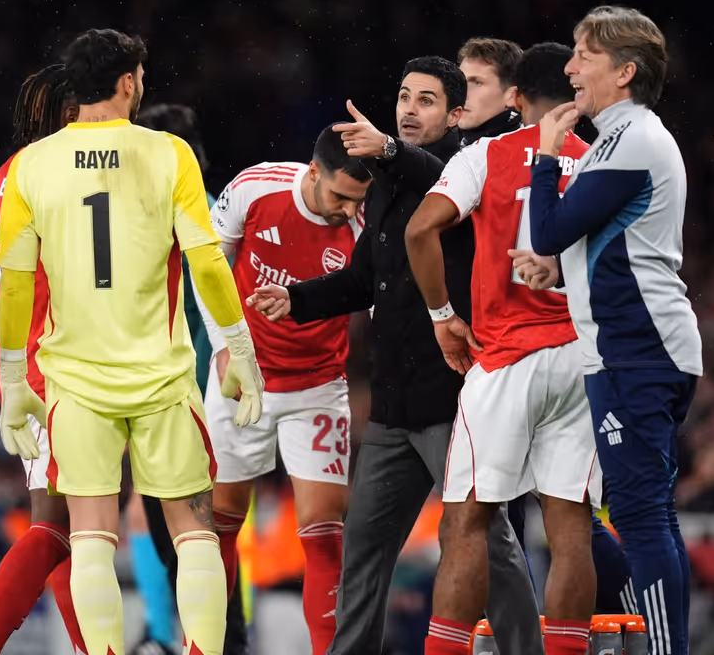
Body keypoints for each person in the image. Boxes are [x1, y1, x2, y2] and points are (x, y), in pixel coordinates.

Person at [248, 56, 544, 655]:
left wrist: (386, 151)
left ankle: (526, 652)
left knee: (486, 542)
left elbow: (426, 169)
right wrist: (296, 297)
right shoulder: (383, 188)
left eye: (427, 100)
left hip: (452, 396)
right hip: (391, 408)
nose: (410, 108)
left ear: (457, 115)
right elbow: (363, 280)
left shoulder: (467, 168)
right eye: (405, 96)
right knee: (362, 547)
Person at [0, 28, 265, 655]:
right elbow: (209, 264)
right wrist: (240, 351)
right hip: (164, 378)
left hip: (75, 383)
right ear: (126, 83)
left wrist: (12, 381)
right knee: (195, 534)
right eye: (141, 76)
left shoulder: (31, 165)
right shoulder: (170, 153)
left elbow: (15, 285)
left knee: (91, 538)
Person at [405, 42, 601, 655]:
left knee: (467, 520)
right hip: (578, 359)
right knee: (570, 529)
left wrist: (442, 316)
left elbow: (419, 230)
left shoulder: (486, 154)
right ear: (571, 98)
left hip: (507, 359)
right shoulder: (598, 161)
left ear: (514, 97)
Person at [529, 6, 703, 655]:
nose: (569, 67)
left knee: (636, 514)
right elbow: (599, 242)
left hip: (638, 352)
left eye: (583, 55)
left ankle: (664, 649)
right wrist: (559, 272)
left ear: (625, 72)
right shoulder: (620, 139)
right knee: (612, 508)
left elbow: (550, 227)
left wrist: (545, 158)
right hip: (627, 350)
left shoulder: (632, 138)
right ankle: (657, 638)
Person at [192, 124, 369, 655]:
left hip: (318, 384)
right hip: (243, 378)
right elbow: (209, 265)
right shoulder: (255, 188)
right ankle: (209, 646)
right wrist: (225, 345)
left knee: (323, 529)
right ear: (314, 172)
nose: (346, 210)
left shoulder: (364, 219)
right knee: (218, 524)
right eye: (340, 195)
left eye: (356, 200)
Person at [0, 63, 89, 655]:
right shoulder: (73, 176)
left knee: (66, 528)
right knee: (61, 526)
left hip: (19, 378)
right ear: (67, 114)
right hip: (74, 368)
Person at [131, 102, 250, 655]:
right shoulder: (171, 211)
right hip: (166, 396)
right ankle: (197, 640)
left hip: (193, 401)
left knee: (198, 538)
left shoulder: (197, 214)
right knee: (191, 539)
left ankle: (212, 642)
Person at [456, 37, 524, 146]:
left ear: (513, 96)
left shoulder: (538, 154)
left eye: (477, 83)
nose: (461, 93)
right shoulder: (443, 151)